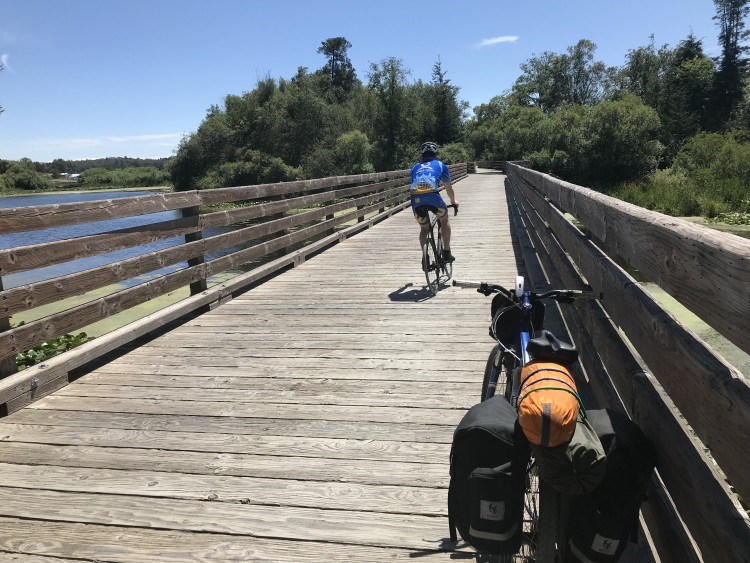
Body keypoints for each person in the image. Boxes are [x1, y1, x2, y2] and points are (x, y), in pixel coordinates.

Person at [410, 141, 459, 263]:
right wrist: (453, 202)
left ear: (422, 155)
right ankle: (446, 253)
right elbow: (449, 188)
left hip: (416, 200)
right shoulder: (440, 165)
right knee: (444, 219)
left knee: (424, 229)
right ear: (434, 154)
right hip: (434, 198)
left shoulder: (414, 167)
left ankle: (425, 258)